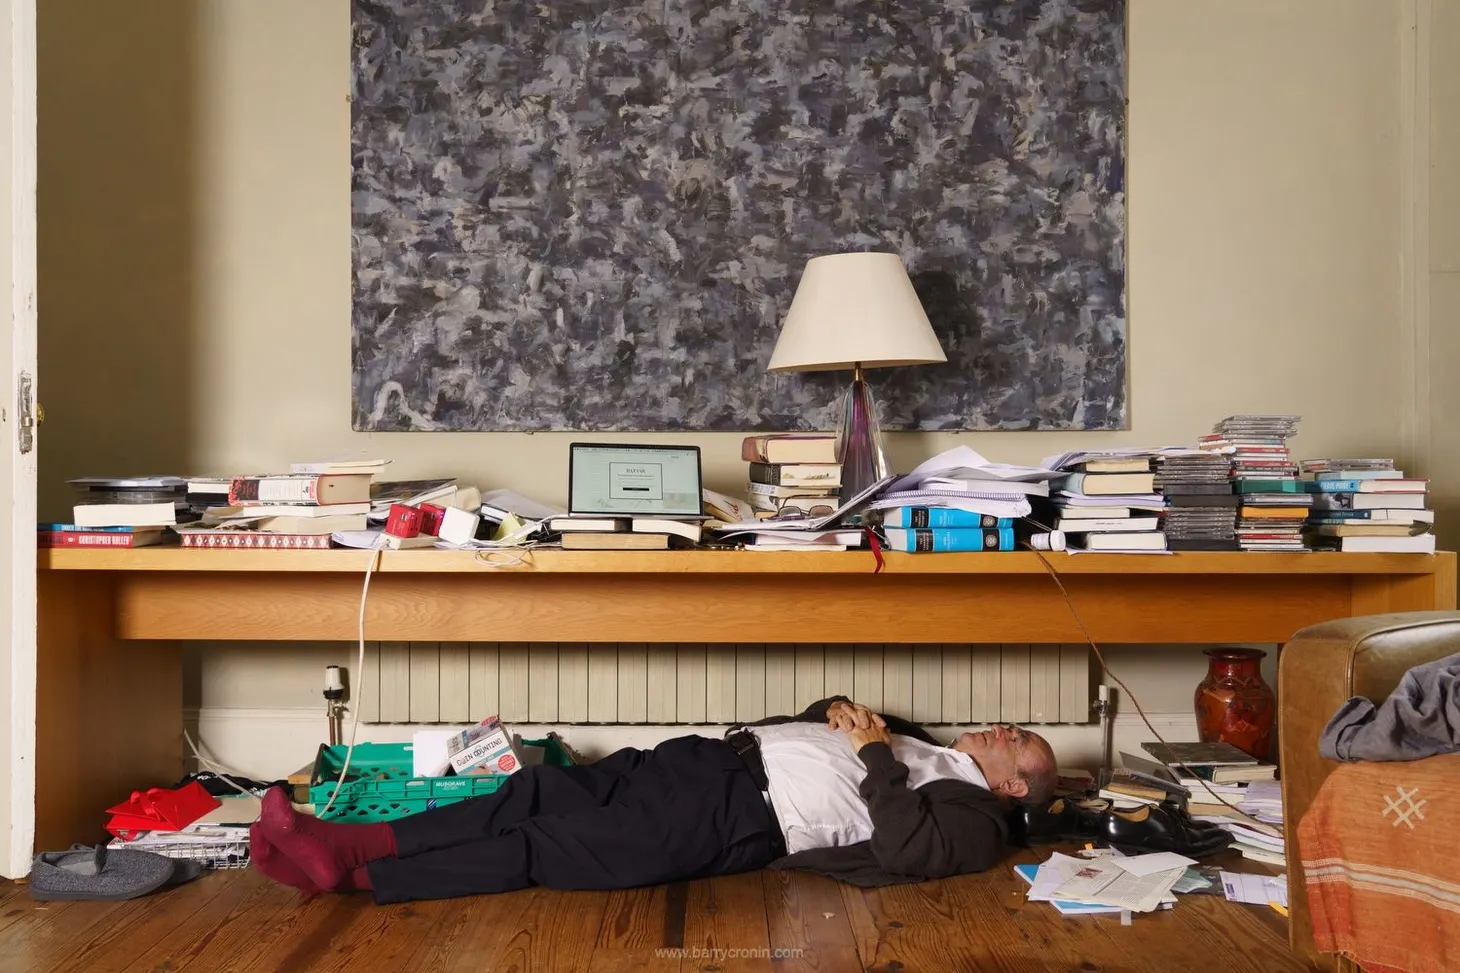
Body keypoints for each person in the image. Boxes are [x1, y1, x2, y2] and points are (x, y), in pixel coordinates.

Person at [251, 695, 1058, 903]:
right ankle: (347, 845)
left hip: (737, 817)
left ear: (1014, 783)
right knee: (537, 785)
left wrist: (874, 747)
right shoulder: (932, 745)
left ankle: (357, 871)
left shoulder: (977, 819)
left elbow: (908, 845)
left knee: (548, 846)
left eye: (1013, 737)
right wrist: (841, 716)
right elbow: (836, 738)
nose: (999, 727)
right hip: (712, 761)